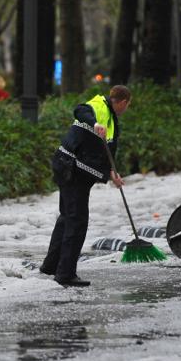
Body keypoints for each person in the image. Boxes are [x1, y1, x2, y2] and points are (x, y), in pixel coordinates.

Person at [40, 85, 131, 287]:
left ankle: (51, 265)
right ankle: (65, 273)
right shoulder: (99, 106)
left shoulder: (111, 119)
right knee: (77, 221)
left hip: (71, 167)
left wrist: (112, 172)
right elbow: (80, 110)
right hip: (72, 170)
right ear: (123, 102)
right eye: (127, 106)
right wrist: (95, 123)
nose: (126, 109)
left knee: (67, 217)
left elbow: (104, 150)